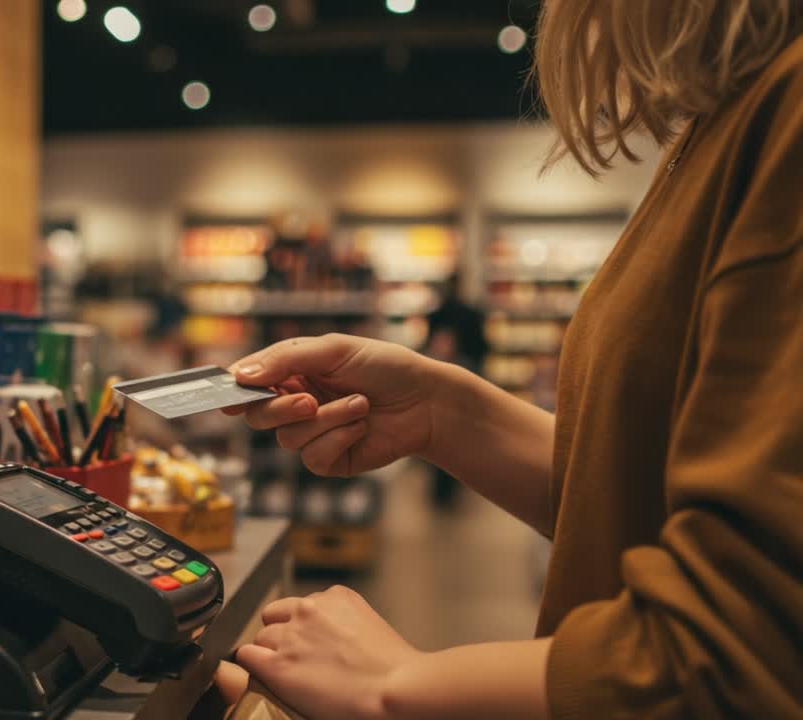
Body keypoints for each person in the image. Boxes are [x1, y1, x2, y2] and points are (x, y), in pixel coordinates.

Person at [215, 1, 803, 717]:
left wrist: (397, 684)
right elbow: (640, 494)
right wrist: (444, 411)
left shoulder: (787, 116)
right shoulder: (733, 115)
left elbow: (743, 655)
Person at [421, 273, 488, 508]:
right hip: (466, 382)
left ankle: (439, 491)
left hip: (437, 380)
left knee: (437, 432)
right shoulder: (473, 314)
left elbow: (426, 347)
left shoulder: (435, 315)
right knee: (460, 434)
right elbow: (483, 348)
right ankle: (456, 483)